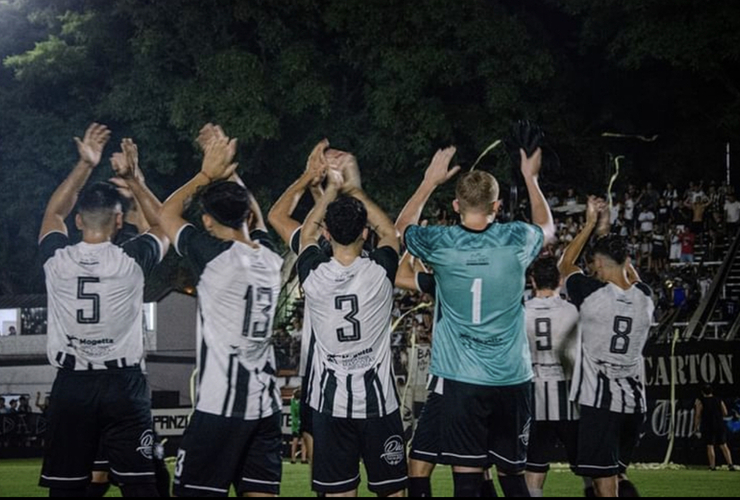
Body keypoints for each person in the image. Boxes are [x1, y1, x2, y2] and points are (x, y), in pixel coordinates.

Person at [396, 136, 556, 498]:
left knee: (467, 477)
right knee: (512, 476)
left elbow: (400, 229)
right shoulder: (516, 239)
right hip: (512, 378)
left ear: (456, 205)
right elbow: (547, 229)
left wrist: (428, 181)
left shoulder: (441, 244)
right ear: (497, 206)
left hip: (462, 379)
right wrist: (531, 179)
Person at [38, 125, 168, 498]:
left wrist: (84, 164)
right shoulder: (131, 260)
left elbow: (53, 211)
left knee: (67, 488)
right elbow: (162, 224)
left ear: (78, 221)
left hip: (72, 385)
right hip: (123, 385)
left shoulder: (56, 260)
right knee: (141, 485)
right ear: (119, 221)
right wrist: (134, 179)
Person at [156, 125, 284, 498]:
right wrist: (230, 172)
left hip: (220, 407)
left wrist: (207, 173)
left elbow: (167, 214)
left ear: (208, 222)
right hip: (265, 407)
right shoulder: (271, 259)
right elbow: (256, 222)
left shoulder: (212, 256)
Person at [298, 151, 406, 497]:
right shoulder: (379, 272)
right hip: (379, 403)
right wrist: (354, 189)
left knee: (339, 493)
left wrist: (330, 191)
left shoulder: (313, 274)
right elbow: (389, 231)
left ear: (327, 233)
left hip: (331, 406)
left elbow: (305, 236)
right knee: (392, 492)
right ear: (364, 232)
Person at [559, 197, 654, 498]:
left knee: (603, 483)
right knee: (619, 473)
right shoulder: (646, 296)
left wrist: (590, 224)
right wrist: (609, 235)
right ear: (628, 261)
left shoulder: (590, 294)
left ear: (598, 263)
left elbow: (566, 264)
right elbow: (631, 276)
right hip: (635, 404)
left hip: (601, 403)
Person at [524, 257, 580, 497]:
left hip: (534, 393)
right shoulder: (571, 311)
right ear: (559, 280)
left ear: (532, 280)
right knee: (588, 467)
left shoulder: (522, 312)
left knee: (534, 466)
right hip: (568, 394)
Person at [695, 384, 736, 472]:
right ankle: (730, 464)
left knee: (710, 446)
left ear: (702, 392)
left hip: (708, 425)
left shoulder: (701, 401)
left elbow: (698, 415)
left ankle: (712, 465)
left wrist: (696, 427)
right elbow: (725, 412)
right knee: (724, 445)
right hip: (719, 425)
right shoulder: (718, 399)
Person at [290, 389, 308, 465]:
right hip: (301, 423)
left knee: (295, 442)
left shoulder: (293, 402)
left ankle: (293, 458)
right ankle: (303, 458)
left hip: (295, 424)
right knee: (303, 442)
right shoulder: (301, 404)